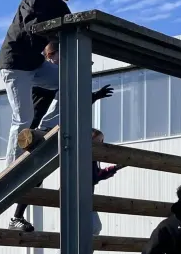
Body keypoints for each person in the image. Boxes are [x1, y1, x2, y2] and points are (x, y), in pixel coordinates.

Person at [9, 42, 115, 231]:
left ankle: (17, 216)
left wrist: (94, 96)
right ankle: (16, 216)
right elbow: (63, 97)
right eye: (60, 57)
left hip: (50, 127)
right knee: (34, 176)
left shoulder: (56, 76)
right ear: (51, 56)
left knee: (38, 177)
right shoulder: (45, 76)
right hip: (37, 128)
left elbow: (71, 99)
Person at [0, 0, 81, 167]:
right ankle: (11, 167)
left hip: (34, 64)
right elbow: (31, 27)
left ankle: (46, 127)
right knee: (22, 118)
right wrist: (55, 32)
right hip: (15, 64)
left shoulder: (60, 6)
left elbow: (71, 27)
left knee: (71, 81)